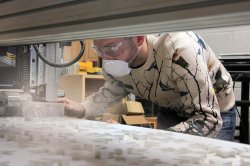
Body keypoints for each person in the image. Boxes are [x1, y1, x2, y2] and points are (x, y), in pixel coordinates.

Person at [57, 32, 236, 141]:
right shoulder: (116, 61)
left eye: (112, 47)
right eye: (99, 50)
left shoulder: (178, 49)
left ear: (139, 38)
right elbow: (111, 91)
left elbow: (207, 120)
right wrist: (80, 109)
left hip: (213, 112)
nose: (106, 57)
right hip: (171, 109)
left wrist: (137, 136)